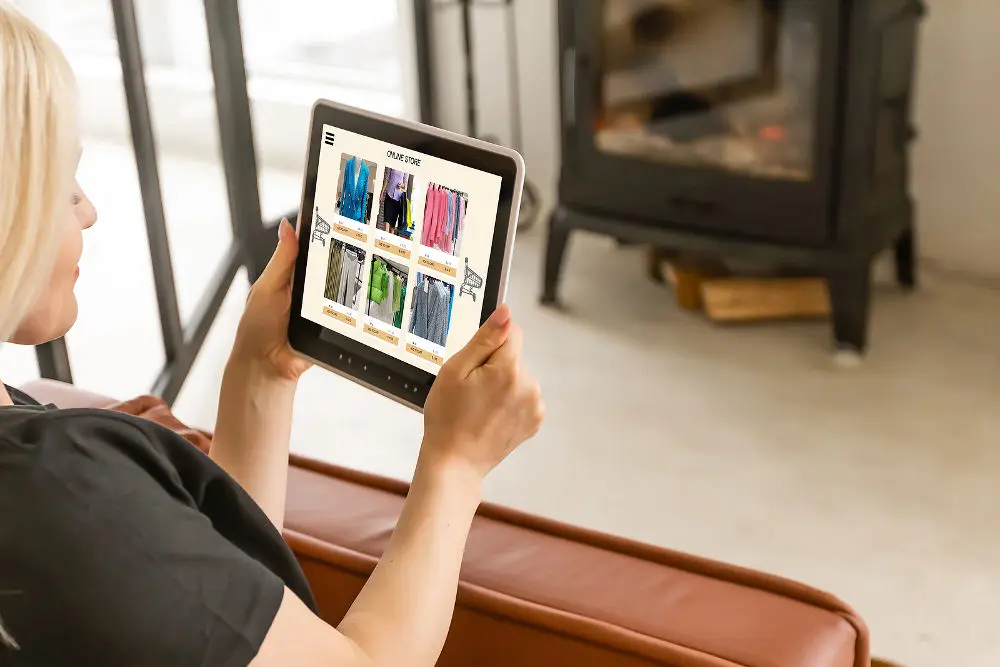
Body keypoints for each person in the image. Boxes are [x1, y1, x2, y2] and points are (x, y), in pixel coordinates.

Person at [0, 4, 544, 666]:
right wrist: (456, 463)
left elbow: (207, 596)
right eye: (57, 183)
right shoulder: (66, 495)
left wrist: (261, 369)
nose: (88, 207)